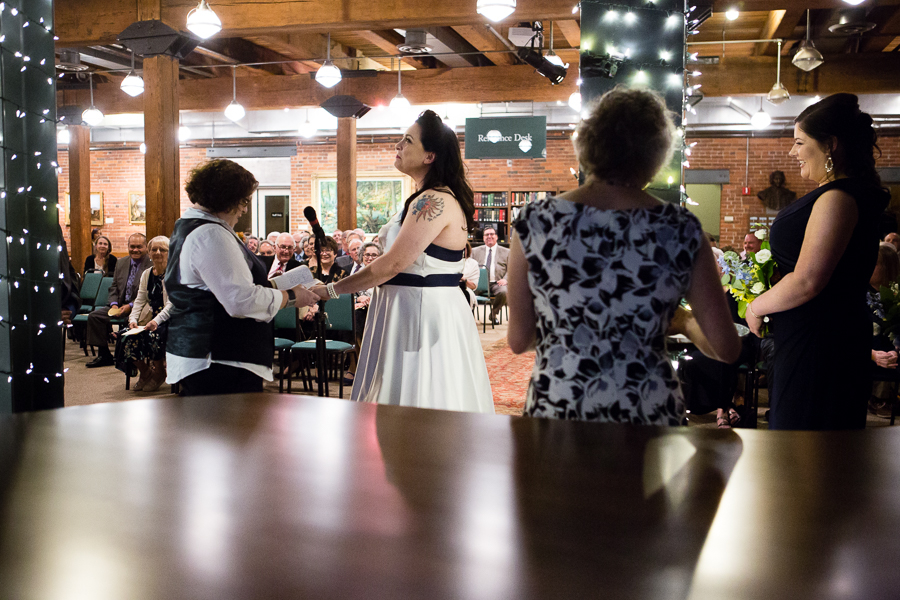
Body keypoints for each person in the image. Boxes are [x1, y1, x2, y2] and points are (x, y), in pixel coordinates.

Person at [506, 86, 740, 425]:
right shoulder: (681, 228)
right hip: (647, 407)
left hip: (561, 403)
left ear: (587, 143)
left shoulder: (535, 221)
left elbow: (518, 340)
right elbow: (727, 348)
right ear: (657, 154)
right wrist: (686, 324)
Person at [312, 110, 494, 414]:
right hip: (406, 303)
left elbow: (391, 265)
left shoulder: (434, 200)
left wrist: (331, 290)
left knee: (417, 391)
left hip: (418, 308)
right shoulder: (424, 198)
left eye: (407, 141)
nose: (398, 146)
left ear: (429, 156)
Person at [746, 93, 890, 430]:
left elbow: (808, 279)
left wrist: (756, 307)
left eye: (799, 142)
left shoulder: (838, 198)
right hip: (818, 335)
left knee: (807, 444)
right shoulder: (841, 193)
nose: (792, 152)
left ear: (830, 145)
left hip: (819, 342)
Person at [164, 159, 319, 396]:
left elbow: (226, 285)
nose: (245, 209)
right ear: (225, 197)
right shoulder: (211, 234)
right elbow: (239, 300)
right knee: (228, 430)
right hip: (218, 360)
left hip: (215, 356)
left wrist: (280, 285)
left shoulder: (196, 226)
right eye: (244, 201)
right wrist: (290, 297)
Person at [116, 236, 174, 392]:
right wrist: (132, 320)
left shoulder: (174, 274)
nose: (158, 252)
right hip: (149, 318)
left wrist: (156, 321)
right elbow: (139, 300)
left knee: (153, 335)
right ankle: (146, 372)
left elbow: (172, 304)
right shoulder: (147, 274)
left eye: (163, 249)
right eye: (154, 249)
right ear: (148, 252)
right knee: (126, 336)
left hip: (169, 318)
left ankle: (160, 373)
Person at [85, 233, 151, 368]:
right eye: (132, 246)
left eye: (139, 247)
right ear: (128, 247)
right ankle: (104, 355)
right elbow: (114, 287)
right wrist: (114, 304)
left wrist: (130, 306)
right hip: (118, 304)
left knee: (132, 322)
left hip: (139, 306)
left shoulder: (151, 264)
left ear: (146, 247)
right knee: (94, 316)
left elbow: (149, 292)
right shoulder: (121, 262)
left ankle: (129, 358)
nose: (135, 250)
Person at [868, 243, 900, 417]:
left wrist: (897, 350)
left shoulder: (897, 294)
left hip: (892, 354)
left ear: (888, 267)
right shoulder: (856, 294)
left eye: (874, 263)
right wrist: (872, 354)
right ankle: (878, 399)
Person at [471, 227, 508, 324]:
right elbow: (469, 266)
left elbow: (512, 268)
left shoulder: (506, 252)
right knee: (466, 292)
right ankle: (470, 315)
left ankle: (493, 314)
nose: (489, 236)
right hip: (478, 283)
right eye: (487, 235)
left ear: (496, 237)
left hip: (497, 283)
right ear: (483, 238)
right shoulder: (475, 251)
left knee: (504, 292)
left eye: (492, 234)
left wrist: (505, 279)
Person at [460, 243, 480, 310]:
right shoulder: (448, 261)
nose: (461, 251)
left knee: (464, 294)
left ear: (467, 250)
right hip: (449, 288)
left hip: (465, 288)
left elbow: (473, 286)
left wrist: (462, 278)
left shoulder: (473, 263)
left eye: (463, 249)